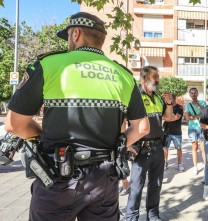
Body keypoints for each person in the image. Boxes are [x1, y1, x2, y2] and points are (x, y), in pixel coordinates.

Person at [4, 12, 150, 221]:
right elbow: (142, 128)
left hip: (56, 176)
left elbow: (13, 124)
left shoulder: (49, 64)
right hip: (105, 178)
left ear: (76, 34)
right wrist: (117, 146)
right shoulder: (124, 75)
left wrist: (44, 136)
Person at [125, 66, 175, 221]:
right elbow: (123, 119)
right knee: (136, 187)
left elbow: (168, 118)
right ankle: (131, 217)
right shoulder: (135, 96)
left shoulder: (158, 97)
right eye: (154, 76)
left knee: (156, 184)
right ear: (143, 79)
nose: (158, 79)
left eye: (158, 76)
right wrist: (126, 144)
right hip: (141, 148)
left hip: (158, 147)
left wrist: (169, 104)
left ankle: (153, 215)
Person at [184, 88, 206, 176]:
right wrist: (199, 115)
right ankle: (195, 167)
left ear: (197, 93)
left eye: (195, 93)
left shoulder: (203, 103)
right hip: (192, 128)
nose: (193, 94)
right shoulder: (188, 105)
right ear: (189, 95)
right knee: (194, 147)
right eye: (191, 93)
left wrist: (198, 106)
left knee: (203, 148)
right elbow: (188, 117)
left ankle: (205, 166)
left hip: (201, 127)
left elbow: (205, 113)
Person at [163, 94, 184, 172]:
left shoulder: (179, 107)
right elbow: (162, 117)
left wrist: (168, 118)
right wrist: (170, 118)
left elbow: (176, 117)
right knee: (165, 148)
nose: (169, 100)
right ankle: (165, 163)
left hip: (177, 132)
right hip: (166, 131)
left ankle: (180, 164)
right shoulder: (165, 107)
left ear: (174, 99)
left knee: (179, 149)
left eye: (170, 98)